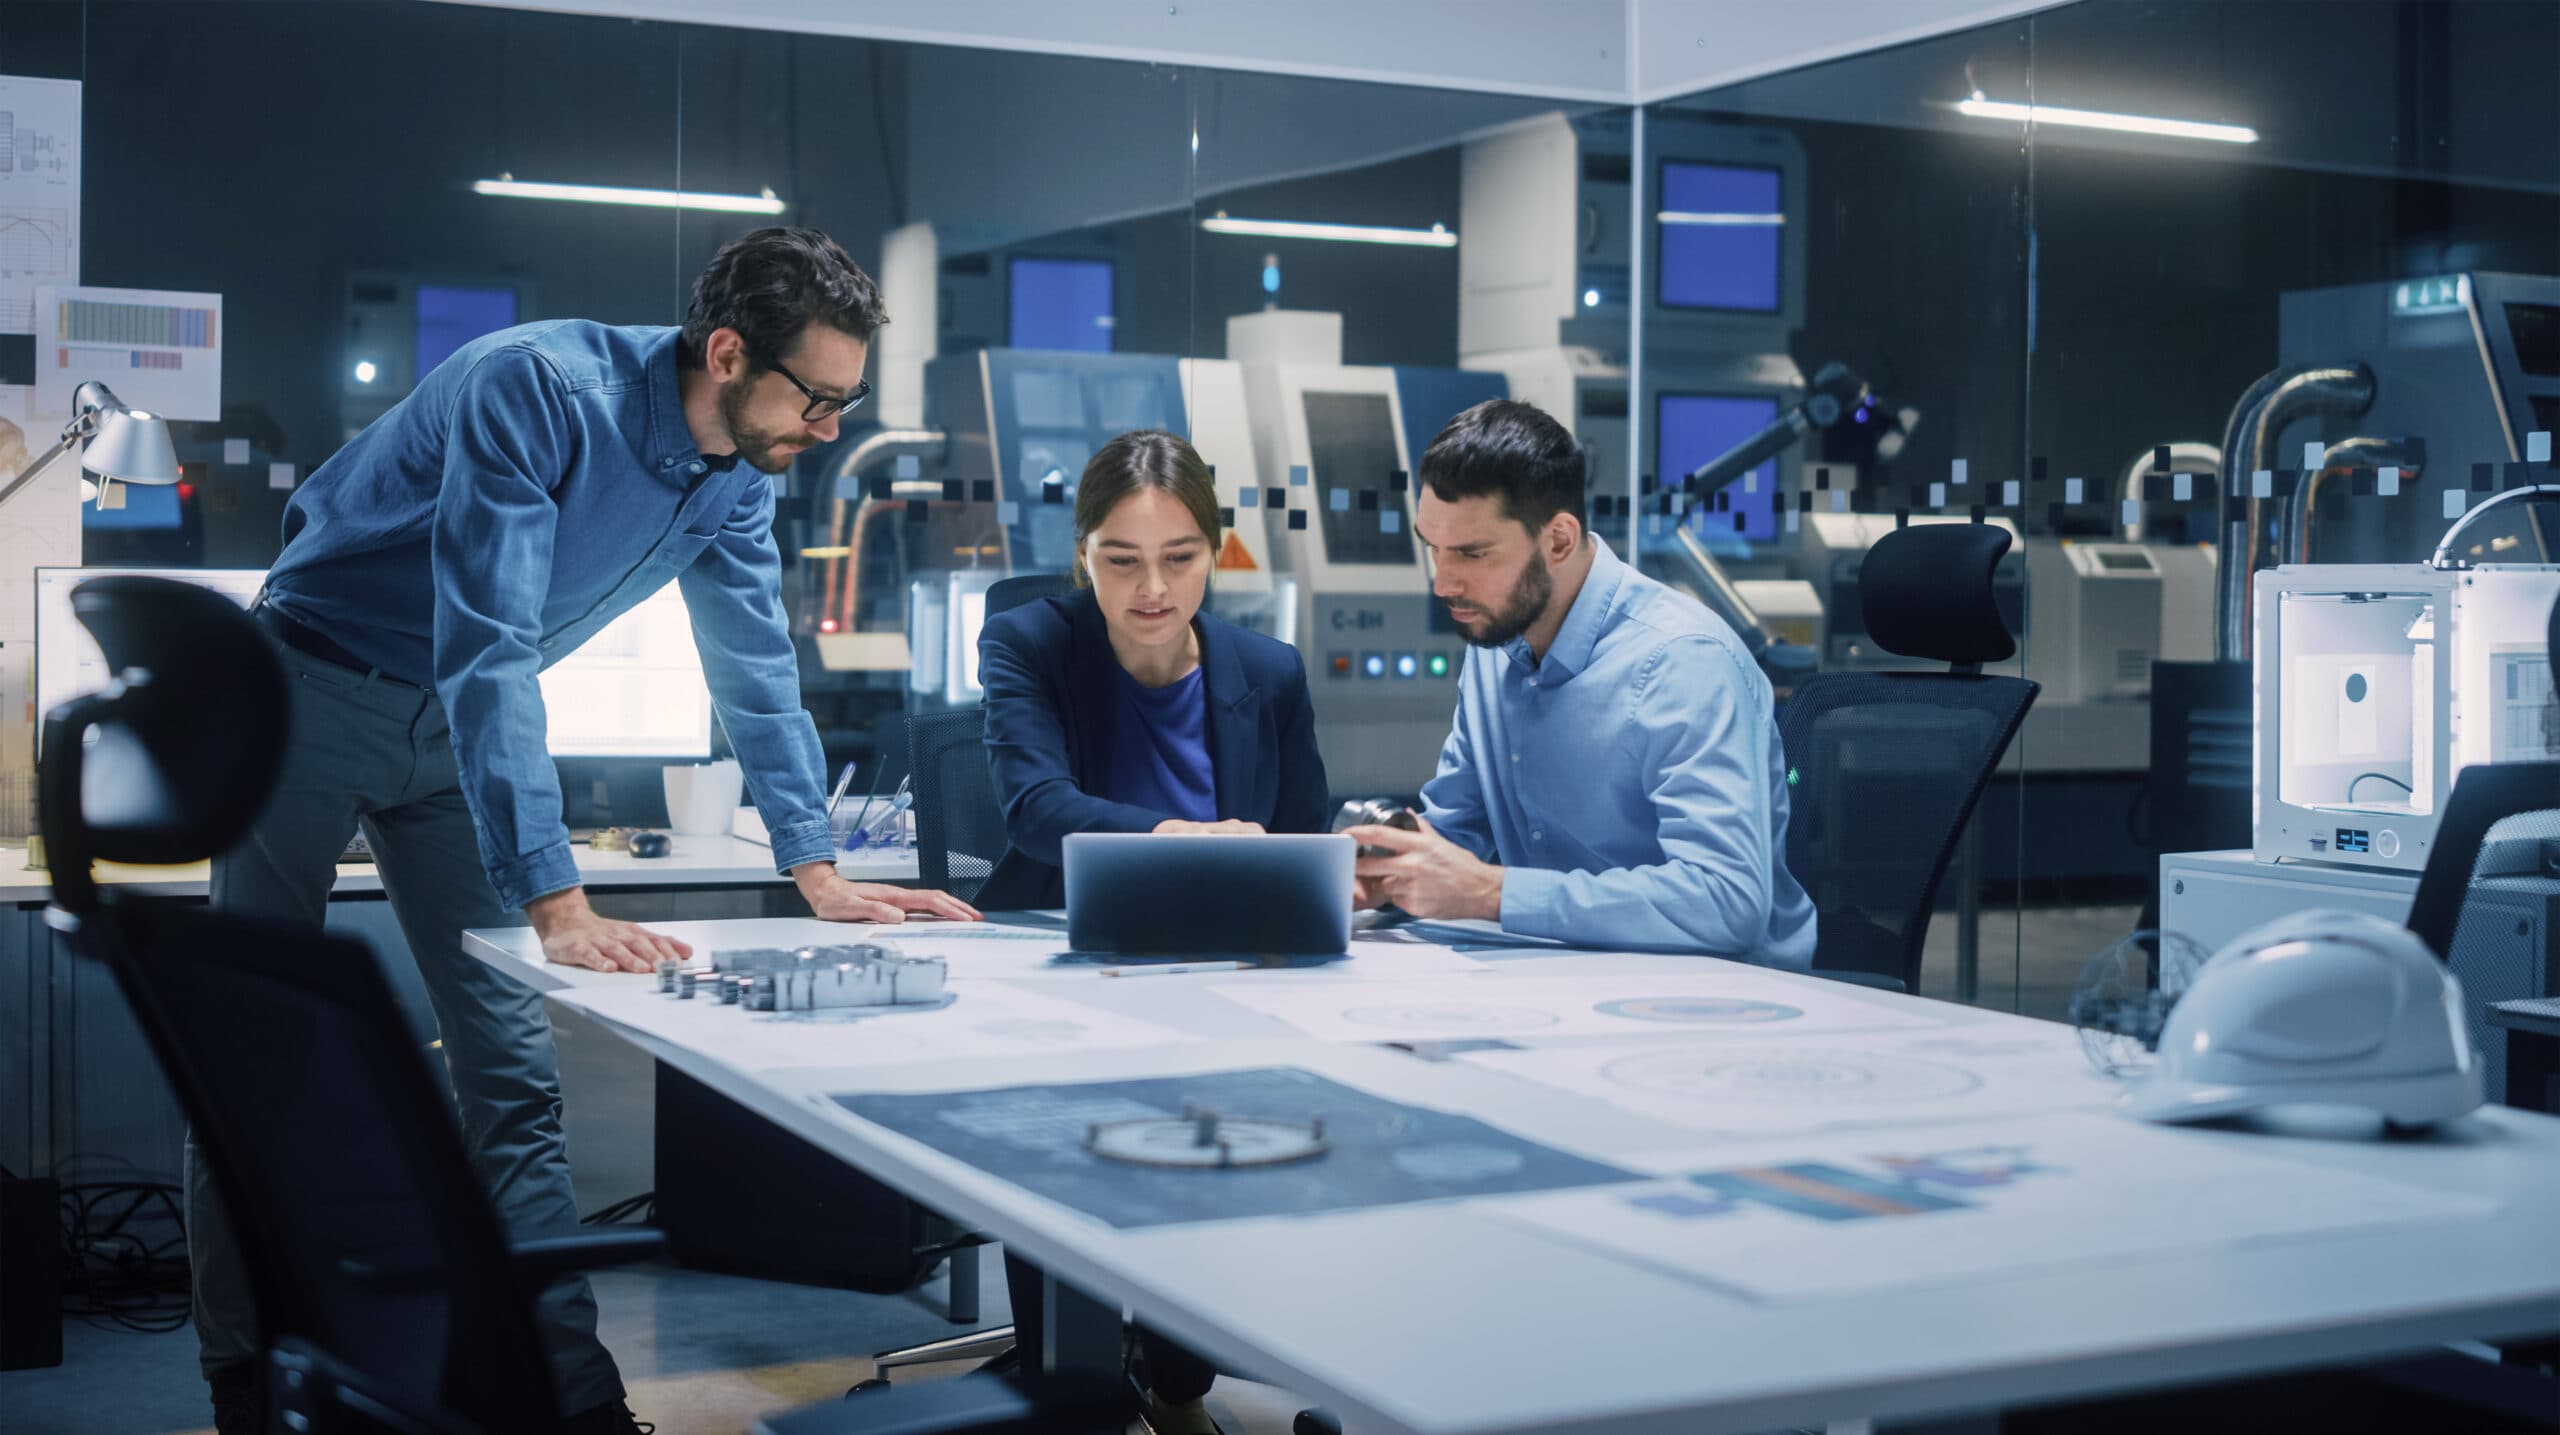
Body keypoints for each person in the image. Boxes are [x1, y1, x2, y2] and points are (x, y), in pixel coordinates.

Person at [194, 227, 979, 1435]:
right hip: (305, 688)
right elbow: (490, 646)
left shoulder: (737, 475)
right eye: (817, 398)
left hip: (451, 737)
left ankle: (568, 1402)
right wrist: (554, 895)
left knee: (514, 1077)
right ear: (727, 352)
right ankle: (246, 1386)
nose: (828, 430)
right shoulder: (538, 391)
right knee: (260, 1061)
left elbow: (756, 669)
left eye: (845, 402)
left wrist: (813, 864)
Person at [977, 427, 1328, 1434]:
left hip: (1217, 963)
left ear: (1214, 553)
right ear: (1081, 552)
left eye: (1179, 558)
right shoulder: (1030, 642)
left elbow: (1303, 831)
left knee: (1220, 1140)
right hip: (1064, 957)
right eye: (1120, 560)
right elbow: (1036, 806)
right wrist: (1185, 832)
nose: (1150, 588)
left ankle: (1175, 1383)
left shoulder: (1269, 670)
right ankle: (1075, 1393)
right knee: (1056, 1146)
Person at [1347, 397, 1816, 967]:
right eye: (1433, 549)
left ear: (1560, 540)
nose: (1443, 583)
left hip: (1719, 997)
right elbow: (1457, 832)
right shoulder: (1497, 641)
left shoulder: (1683, 662)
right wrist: (1387, 865)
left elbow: (1725, 902)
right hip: (1560, 974)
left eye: (1472, 554)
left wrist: (1490, 893)